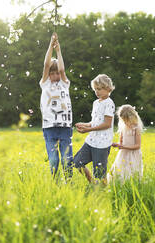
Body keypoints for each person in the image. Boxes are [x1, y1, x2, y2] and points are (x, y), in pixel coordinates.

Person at [39, 32, 73, 179]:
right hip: (49, 127)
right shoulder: (45, 84)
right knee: (54, 160)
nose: (54, 76)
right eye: (52, 74)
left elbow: (62, 70)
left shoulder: (64, 84)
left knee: (67, 160)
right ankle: (55, 184)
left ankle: (69, 184)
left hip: (65, 127)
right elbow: (46, 65)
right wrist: (50, 45)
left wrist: (58, 50)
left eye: (56, 73)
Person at [74, 74, 115, 184]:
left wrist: (88, 130)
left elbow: (107, 124)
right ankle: (92, 183)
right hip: (91, 141)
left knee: (99, 172)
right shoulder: (96, 103)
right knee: (77, 162)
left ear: (108, 88)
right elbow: (95, 122)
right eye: (95, 89)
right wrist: (85, 125)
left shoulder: (109, 103)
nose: (97, 92)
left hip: (102, 143)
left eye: (99, 89)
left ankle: (102, 190)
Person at [107, 105, 143, 183]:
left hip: (133, 154)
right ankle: (119, 186)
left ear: (132, 118)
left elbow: (137, 146)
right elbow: (121, 143)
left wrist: (123, 146)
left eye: (127, 120)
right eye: (123, 120)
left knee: (132, 172)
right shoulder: (123, 128)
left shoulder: (136, 128)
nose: (125, 122)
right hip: (123, 153)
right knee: (120, 171)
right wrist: (117, 145)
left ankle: (132, 187)